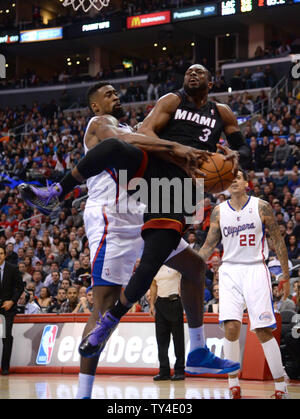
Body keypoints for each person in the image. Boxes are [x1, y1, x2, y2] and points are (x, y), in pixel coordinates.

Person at [18, 71, 245, 396]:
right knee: (103, 305)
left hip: (145, 205)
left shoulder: (138, 128)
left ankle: (196, 351)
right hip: (114, 218)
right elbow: (128, 142)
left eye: (116, 93)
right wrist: (178, 148)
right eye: (109, 94)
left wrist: (212, 152)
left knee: (194, 267)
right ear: (96, 106)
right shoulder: (101, 123)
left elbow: (155, 145)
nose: (116, 97)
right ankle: (84, 393)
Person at [198, 170, 290, 399]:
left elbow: (278, 240)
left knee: (262, 330)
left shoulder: (261, 206)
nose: (234, 181)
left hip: (255, 269)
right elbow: (209, 245)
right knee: (230, 326)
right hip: (229, 270)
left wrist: (285, 276)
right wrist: (192, 269)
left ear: (247, 183)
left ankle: (280, 386)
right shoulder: (219, 210)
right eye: (231, 179)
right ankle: (233, 382)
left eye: (238, 177)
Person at [149, 265, 185, 381]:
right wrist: (152, 304)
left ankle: (179, 370)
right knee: (161, 339)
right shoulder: (156, 265)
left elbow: (186, 277)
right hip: (160, 303)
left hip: (174, 301)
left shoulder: (176, 263)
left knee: (178, 339)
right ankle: (164, 371)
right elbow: (154, 285)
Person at [0, 246, 24, 375]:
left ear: (5, 255)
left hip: (8, 307)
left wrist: (12, 301)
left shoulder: (12, 268)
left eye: (1, 253)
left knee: (6, 336)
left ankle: (5, 367)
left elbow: (20, 287)